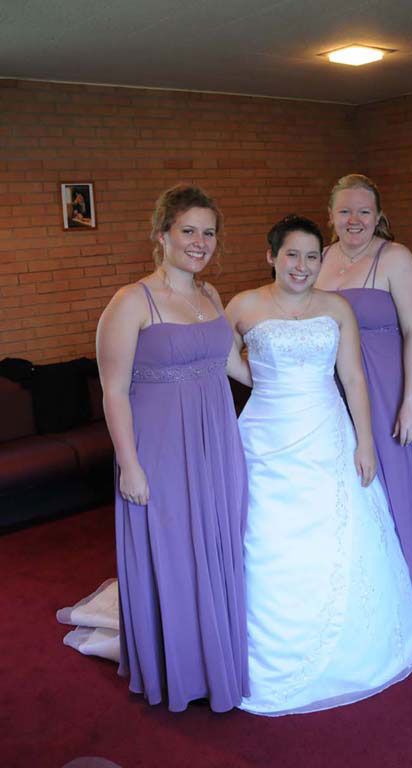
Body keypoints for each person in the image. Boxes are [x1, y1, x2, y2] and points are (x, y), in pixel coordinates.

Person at [58, 184, 252, 711]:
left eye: (208, 232)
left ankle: (217, 656)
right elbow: (113, 392)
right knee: (174, 553)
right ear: (162, 234)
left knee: (217, 546)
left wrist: (301, 372)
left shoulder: (212, 296)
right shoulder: (130, 301)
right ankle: (179, 669)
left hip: (217, 446)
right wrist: (130, 466)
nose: (199, 242)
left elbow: (235, 368)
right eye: (188, 230)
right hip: (161, 451)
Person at [226, 215, 412, 716]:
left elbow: (353, 378)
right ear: (271, 256)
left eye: (312, 257)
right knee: (268, 536)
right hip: (266, 435)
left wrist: (366, 443)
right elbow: (220, 357)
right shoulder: (244, 305)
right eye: (291, 255)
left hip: (328, 432)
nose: (302, 266)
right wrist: (264, 378)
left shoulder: (336, 307)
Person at [315, 174, 412, 636]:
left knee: (389, 490)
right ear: (330, 215)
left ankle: (405, 602)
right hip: (331, 389)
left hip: (387, 390)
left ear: (378, 215)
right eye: (345, 211)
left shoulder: (396, 258)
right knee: (345, 489)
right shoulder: (319, 258)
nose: (354, 220)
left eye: (364, 211)